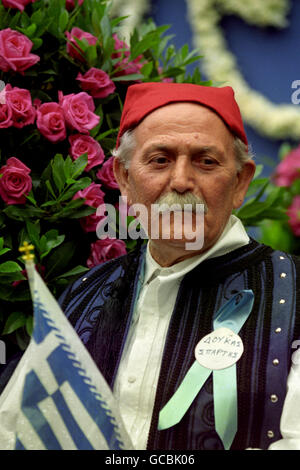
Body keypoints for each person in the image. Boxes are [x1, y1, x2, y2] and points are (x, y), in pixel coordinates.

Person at [5, 82, 300, 450]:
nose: (180, 181)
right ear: (124, 179)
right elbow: (15, 425)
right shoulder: (83, 293)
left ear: (240, 182)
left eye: (206, 161)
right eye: (159, 160)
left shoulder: (295, 296)